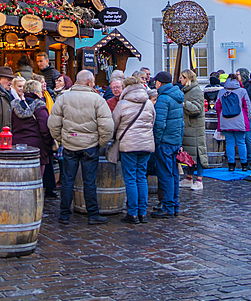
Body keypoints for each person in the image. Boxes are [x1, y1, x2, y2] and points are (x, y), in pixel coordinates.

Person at [47, 69, 114, 226]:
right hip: (90, 145)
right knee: (89, 181)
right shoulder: (97, 100)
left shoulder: (63, 98)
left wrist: (61, 139)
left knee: (67, 180)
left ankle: (64, 214)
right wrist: (101, 143)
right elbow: (107, 126)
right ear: (90, 82)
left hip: (70, 143)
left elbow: (53, 123)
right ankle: (93, 214)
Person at [112, 74, 156, 224]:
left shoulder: (123, 104)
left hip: (129, 145)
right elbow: (152, 122)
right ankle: (142, 212)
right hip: (146, 145)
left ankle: (132, 213)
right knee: (141, 177)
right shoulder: (148, 103)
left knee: (130, 179)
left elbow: (114, 124)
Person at [150, 71, 184, 218]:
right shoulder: (176, 96)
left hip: (165, 142)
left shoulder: (163, 99)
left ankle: (168, 206)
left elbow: (159, 124)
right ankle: (173, 205)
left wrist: (156, 142)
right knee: (174, 173)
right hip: (175, 140)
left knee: (165, 174)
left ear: (160, 83)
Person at [11, 79, 54, 179]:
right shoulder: (40, 107)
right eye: (40, 92)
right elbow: (45, 129)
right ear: (35, 92)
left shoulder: (15, 107)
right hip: (37, 148)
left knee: (20, 179)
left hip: (18, 146)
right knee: (35, 180)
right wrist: (49, 144)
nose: (42, 94)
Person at [178, 69, 209, 191]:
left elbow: (197, 109)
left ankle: (199, 180)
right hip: (188, 128)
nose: (180, 79)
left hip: (195, 128)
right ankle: (189, 178)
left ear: (187, 78)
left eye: (182, 77)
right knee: (189, 155)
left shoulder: (196, 91)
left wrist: (185, 104)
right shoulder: (185, 90)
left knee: (198, 153)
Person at [215, 73, 251, 172]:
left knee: (229, 142)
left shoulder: (222, 92)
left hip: (225, 120)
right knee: (241, 142)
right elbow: (247, 106)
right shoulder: (242, 91)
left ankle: (231, 165)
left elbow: (217, 107)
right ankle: (244, 164)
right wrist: (246, 118)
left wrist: (221, 117)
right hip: (240, 120)